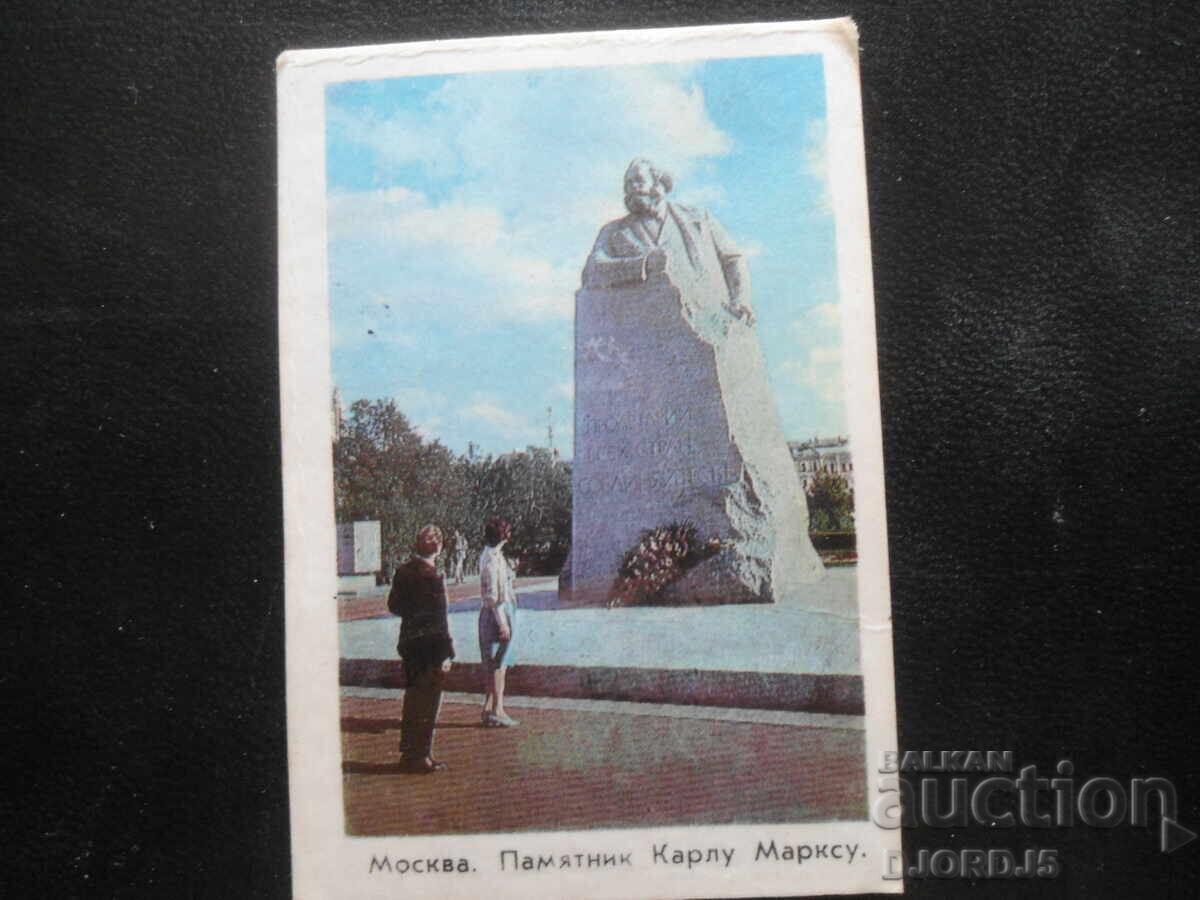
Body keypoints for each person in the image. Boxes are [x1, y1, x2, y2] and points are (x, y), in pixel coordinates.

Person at [582, 157, 756, 327]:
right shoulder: (613, 231)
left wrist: (741, 299)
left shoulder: (699, 219)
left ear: (658, 185)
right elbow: (592, 271)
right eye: (628, 184)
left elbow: (732, 258)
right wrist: (642, 264)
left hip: (709, 321)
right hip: (645, 328)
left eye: (639, 181)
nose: (632, 188)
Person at [388, 524, 455, 773]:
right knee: (428, 703)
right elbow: (440, 619)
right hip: (430, 647)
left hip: (409, 643)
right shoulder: (433, 577)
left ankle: (408, 752)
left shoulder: (403, 572)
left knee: (412, 699)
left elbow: (394, 606)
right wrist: (446, 652)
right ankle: (421, 755)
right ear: (437, 547)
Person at [478, 515, 519, 727]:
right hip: (498, 613)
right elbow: (494, 596)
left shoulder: (488, 554)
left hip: (489, 613)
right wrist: (503, 623)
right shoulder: (494, 559)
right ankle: (498, 709)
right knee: (499, 664)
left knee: (490, 662)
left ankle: (488, 708)